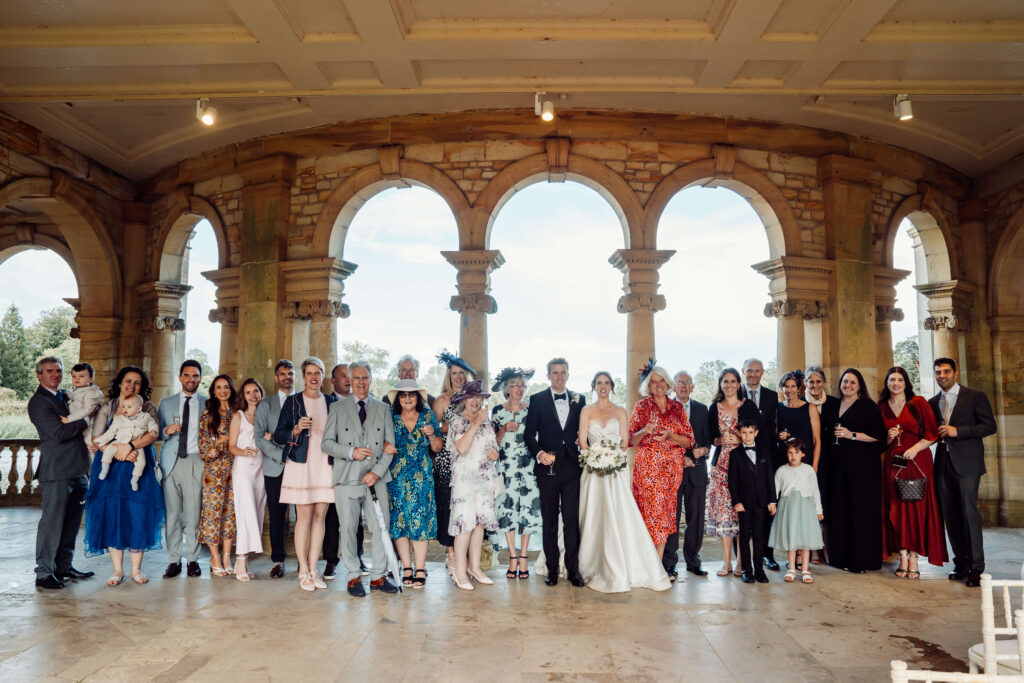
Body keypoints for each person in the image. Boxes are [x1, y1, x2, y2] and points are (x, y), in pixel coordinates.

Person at [578, 371, 670, 592]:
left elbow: (624, 442)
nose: (603, 386)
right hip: (593, 471)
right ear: (594, 386)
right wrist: (596, 460)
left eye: (607, 383)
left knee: (618, 514)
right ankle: (590, 562)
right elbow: (583, 443)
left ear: (611, 386)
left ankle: (626, 564)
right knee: (594, 514)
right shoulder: (586, 410)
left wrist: (610, 460)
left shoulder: (620, 410)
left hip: (615, 470)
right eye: (599, 383)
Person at [321, 360, 399, 597]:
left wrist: (377, 472)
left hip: (376, 479)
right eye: (356, 378)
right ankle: (354, 576)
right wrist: (350, 452)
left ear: (371, 379)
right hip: (347, 478)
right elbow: (326, 444)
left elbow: (390, 446)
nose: (361, 382)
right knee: (348, 529)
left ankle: (378, 576)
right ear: (349, 381)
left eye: (365, 377)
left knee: (380, 529)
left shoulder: (383, 409)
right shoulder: (337, 408)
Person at [85, 365, 164, 585]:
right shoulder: (108, 408)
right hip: (111, 471)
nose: (132, 385)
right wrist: (120, 454)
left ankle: (136, 569)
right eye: (128, 381)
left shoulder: (148, 407)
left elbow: (151, 435)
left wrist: (129, 446)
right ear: (120, 383)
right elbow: (98, 438)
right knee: (113, 515)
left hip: (139, 466)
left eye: (137, 382)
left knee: (138, 514)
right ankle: (117, 570)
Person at [27, 356, 95, 589]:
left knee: (72, 523)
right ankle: (44, 573)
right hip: (56, 471)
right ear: (39, 375)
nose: (55, 374)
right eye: (49, 371)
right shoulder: (38, 402)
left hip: (78, 469)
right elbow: (58, 433)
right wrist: (86, 420)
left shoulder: (66, 395)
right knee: (52, 524)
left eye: (58, 370)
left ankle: (63, 567)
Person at [929, 357, 996, 587]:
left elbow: (989, 426)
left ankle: (977, 568)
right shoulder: (932, 401)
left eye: (946, 371)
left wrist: (959, 431)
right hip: (943, 463)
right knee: (951, 515)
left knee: (969, 514)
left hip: (967, 464)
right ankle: (961, 564)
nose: (942, 376)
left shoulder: (974, 396)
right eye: (938, 372)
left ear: (955, 373)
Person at [274, 357, 337, 591]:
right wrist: (297, 429)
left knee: (320, 516)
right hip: (301, 464)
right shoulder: (292, 402)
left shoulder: (332, 402)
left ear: (322, 376)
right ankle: (302, 570)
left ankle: (314, 569)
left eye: (318, 373)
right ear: (303, 376)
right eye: (309, 373)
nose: (313, 377)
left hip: (324, 463)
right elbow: (280, 435)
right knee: (304, 517)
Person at [524, 357, 587, 587]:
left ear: (568, 374)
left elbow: (584, 431)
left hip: (572, 467)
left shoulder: (580, 400)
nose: (559, 376)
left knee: (572, 521)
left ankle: (573, 570)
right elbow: (529, 434)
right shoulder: (537, 400)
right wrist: (539, 453)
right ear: (548, 376)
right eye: (555, 372)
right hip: (547, 468)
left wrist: (584, 441)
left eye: (563, 372)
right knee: (549, 520)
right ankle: (552, 569)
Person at [879, 366, 943, 578]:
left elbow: (932, 434)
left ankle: (914, 556)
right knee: (895, 508)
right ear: (887, 383)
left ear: (906, 382)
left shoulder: (919, 403)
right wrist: (888, 436)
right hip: (893, 463)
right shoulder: (881, 407)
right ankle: (902, 555)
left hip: (918, 460)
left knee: (917, 508)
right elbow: (881, 443)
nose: (895, 383)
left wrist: (914, 449)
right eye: (891, 380)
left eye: (899, 380)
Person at [628, 364, 693, 562]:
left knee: (665, 516)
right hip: (648, 471)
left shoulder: (678, 408)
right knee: (650, 515)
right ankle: (648, 563)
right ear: (648, 386)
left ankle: (657, 563)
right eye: (653, 382)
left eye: (661, 381)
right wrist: (644, 431)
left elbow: (690, 440)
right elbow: (630, 440)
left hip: (671, 472)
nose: (658, 385)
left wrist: (670, 436)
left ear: (668, 383)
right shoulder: (642, 407)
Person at [446, 380, 503, 591]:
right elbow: (461, 448)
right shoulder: (457, 421)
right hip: (465, 480)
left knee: (479, 524)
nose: (476, 402)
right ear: (464, 400)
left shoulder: (486, 422)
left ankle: (475, 568)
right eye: (472, 398)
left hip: (485, 478)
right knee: (464, 525)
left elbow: (493, 446)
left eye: (479, 398)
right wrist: (476, 423)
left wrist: (494, 453)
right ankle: (460, 572)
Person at [827, 368, 886, 573]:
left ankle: (861, 560)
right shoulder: (834, 404)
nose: (848, 386)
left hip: (863, 468)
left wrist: (851, 435)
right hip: (838, 466)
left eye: (852, 382)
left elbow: (879, 436)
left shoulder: (868, 406)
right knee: (840, 509)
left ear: (860, 385)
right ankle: (839, 557)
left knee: (860, 511)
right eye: (845, 382)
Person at [386, 379, 441, 589]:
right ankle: (406, 567)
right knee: (399, 521)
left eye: (411, 394)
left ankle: (420, 568)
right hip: (397, 475)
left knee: (420, 520)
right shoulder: (390, 417)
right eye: (403, 394)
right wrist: (385, 444)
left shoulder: (427, 416)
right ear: (398, 398)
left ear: (418, 397)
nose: (407, 398)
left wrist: (432, 435)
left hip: (421, 475)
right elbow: (379, 439)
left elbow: (437, 448)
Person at [706, 367, 760, 578]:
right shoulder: (714, 408)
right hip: (721, 467)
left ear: (739, 384)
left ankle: (741, 562)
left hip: (743, 465)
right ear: (720, 384)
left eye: (732, 381)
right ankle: (726, 561)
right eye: (724, 381)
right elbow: (711, 436)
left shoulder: (749, 407)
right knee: (724, 514)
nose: (728, 385)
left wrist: (739, 439)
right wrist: (719, 440)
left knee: (741, 513)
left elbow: (759, 433)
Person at [156, 359, 206, 579]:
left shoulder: (207, 404)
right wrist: (166, 430)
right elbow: (156, 432)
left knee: (194, 514)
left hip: (195, 461)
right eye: (187, 375)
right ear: (180, 378)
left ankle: (192, 560)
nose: (190, 379)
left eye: (195, 376)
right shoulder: (166, 403)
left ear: (200, 379)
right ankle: (173, 560)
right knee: (173, 514)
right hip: (170, 462)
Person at [490, 366, 541, 580]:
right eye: (515, 385)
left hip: (528, 468)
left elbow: (540, 436)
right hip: (506, 468)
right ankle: (511, 556)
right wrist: (503, 429)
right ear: (506, 389)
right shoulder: (497, 411)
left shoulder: (532, 409)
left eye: (522, 385)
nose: (519, 389)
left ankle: (523, 557)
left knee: (528, 510)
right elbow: (491, 443)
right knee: (507, 511)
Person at [431, 350, 475, 574]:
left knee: (466, 509)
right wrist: (445, 427)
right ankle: (451, 557)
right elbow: (432, 433)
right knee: (448, 508)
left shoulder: (471, 399)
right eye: (454, 373)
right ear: (449, 376)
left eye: (462, 373)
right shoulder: (442, 400)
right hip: (447, 461)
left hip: (469, 460)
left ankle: (465, 557)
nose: (458, 377)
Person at [665, 370, 711, 579]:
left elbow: (709, 439)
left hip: (698, 471)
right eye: (680, 382)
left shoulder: (703, 409)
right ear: (673, 387)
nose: (683, 386)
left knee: (696, 519)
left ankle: (693, 561)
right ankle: (669, 563)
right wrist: (680, 457)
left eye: (687, 383)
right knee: (671, 518)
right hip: (673, 471)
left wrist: (705, 450)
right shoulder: (666, 409)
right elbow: (664, 441)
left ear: (692, 387)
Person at [255, 359, 293, 579]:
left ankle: (307, 561)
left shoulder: (303, 401)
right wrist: (282, 455)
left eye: (290, 373)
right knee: (277, 515)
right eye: (282, 374)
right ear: (276, 377)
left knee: (305, 514)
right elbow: (260, 437)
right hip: (274, 467)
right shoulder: (266, 405)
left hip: (301, 466)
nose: (287, 377)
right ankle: (278, 560)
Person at [198, 374, 237, 577]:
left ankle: (227, 556)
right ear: (213, 391)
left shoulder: (238, 413)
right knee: (213, 512)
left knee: (231, 513)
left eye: (227, 387)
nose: (223, 391)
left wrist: (226, 440)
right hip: (214, 469)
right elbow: (203, 443)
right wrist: (214, 448)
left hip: (236, 467)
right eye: (219, 387)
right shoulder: (207, 415)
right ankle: (214, 557)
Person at [769, 438, 824, 584]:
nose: (793, 456)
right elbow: (774, 490)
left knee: (805, 539)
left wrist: (819, 510)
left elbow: (815, 491)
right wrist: (772, 503)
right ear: (786, 454)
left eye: (796, 452)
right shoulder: (781, 470)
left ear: (803, 454)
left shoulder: (809, 470)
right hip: (788, 508)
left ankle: (805, 570)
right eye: (790, 453)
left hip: (806, 507)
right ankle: (791, 569)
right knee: (791, 538)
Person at [728, 418, 776, 583]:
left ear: (756, 433)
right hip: (744, 504)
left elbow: (770, 477)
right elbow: (732, 481)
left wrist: (772, 501)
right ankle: (746, 570)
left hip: (762, 503)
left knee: (759, 537)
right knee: (744, 537)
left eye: (750, 432)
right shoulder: (735, 454)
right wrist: (737, 501)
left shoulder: (764, 451)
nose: (747, 436)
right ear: (739, 434)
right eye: (744, 433)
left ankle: (759, 570)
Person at [742, 357, 779, 571]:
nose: (753, 374)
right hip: (743, 458)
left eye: (757, 371)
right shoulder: (736, 395)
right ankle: (743, 559)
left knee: (767, 507)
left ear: (763, 372)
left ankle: (768, 554)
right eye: (749, 371)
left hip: (767, 458)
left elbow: (775, 426)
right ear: (743, 371)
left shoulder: (773, 396)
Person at [230, 378, 266, 582]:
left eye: (256, 391)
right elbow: (231, 446)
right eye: (248, 392)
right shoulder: (239, 416)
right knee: (246, 512)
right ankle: (241, 559)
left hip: (260, 467)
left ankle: (240, 561)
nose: (253, 395)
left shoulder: (264, 415)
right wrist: (243, 451)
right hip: (243, 468)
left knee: (258, 511)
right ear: (243, 396)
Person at [805, 365, 839, 564]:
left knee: (826, 503)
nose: (815, 385)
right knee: (810, 505)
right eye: (811, 381)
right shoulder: (801, 404)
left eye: (818, 381)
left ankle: (827, 547)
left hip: (831, 459)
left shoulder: (835, 403)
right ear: (806, 384)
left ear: (824, 382)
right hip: (809, 459)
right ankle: (813, 549)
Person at [93, 394, 159, 490]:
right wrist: (102, 440)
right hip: (119, 442)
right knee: (108, 451)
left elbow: (153, 425)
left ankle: (135, 479)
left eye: (129, 407)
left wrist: (154, 430)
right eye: (123, 406)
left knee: (141, 463)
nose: (125, 409)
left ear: (139, 409)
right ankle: (104, 469)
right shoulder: (119, 419)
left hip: (138, 445)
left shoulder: (146, 417)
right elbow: (110, 432)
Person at [776, 370, 820, 470]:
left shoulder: (810, 408)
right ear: (782, 389)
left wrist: (815, 466)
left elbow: (817, 441)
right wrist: (780, 435)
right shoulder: (778, 407)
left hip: (805, 460)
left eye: (793, 386)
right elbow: (776, 433)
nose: (789, 390)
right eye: (786, 386)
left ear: (799, 388)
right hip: (784, 460)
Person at [65, 362, 106, 449]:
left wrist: (69, 419)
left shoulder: (92, 393)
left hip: (90, 428)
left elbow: (88, 410)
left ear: (91, 379)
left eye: (81, 376)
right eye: (74, 376)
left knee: (90, 450)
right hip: (80, 428)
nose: (77, 379)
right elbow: (75, 398)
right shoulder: (79, 391)